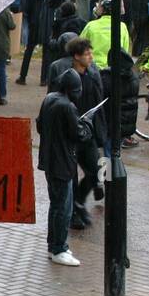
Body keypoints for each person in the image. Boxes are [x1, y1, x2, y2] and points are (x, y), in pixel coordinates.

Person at [48, 37, 106, 227]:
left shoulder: (93, 73)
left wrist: (100, 132)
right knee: (70, 176)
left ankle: (79, 201)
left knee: (96, 172)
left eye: (91, 53)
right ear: (76, 56)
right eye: (87, 54)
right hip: (70, 136)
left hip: (87, 133)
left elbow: (98, 104)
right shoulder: (65, 78)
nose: (91, 57)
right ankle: (73, 212)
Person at [37, 67, 89, 265]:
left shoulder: (49, 99)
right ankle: (59, 247)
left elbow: (40, 126)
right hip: (62, 163)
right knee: (63, 208)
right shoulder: (67, 107)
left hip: (50, 161)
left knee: (56, 205)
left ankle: (54, 245)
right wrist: (87, 126)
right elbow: (79, 134)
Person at [79, 0, 132, 71]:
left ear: (102, 10)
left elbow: (80, 45)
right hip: (114, 68)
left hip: (94, 67)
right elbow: (125, 49)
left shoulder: (91, 25)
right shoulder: (122, 26)